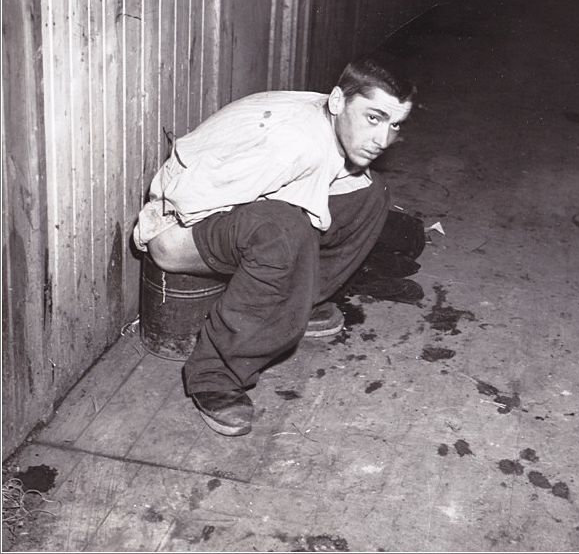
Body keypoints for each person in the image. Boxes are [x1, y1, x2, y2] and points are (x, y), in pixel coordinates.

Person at [133, 53, 415, 436]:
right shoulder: (292, 143)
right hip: (175, 230)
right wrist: (274, 228)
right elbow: (185, 203)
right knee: (282, 230)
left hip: (232, 211)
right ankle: (215, 375)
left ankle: (300, 303)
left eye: (395, 124)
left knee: (369, 192)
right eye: (373, 118)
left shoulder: (326, 119)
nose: (383, 139)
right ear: (337, 102)